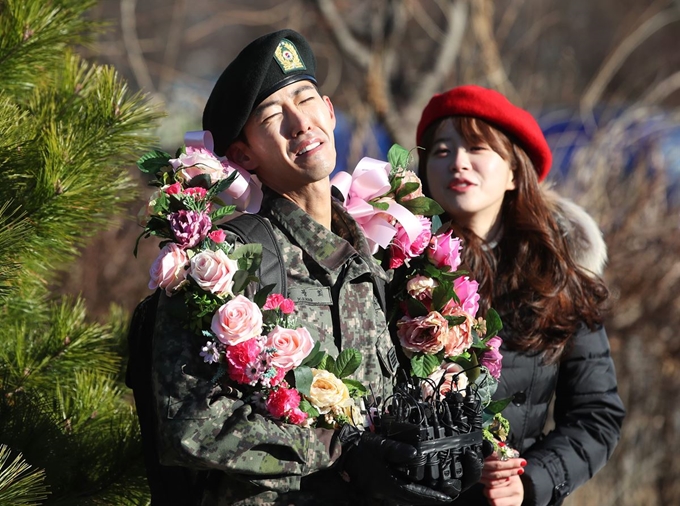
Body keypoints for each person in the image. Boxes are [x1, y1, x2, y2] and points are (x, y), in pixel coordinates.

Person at [144, 29, 471, 506]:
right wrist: (337, 451)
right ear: (242, 156)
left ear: (330, 111)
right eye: (274, 116)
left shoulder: (385, 257)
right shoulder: (224, 264)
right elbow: (190, 423)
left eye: (306, 99)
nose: (301, 123)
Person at [414, 85, 626, 506]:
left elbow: (596, 415)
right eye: (441, 150)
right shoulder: (393, 266)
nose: (458, 162)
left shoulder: (557, 276)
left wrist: (530, 481)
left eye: (477, 147)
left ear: (514, 171)